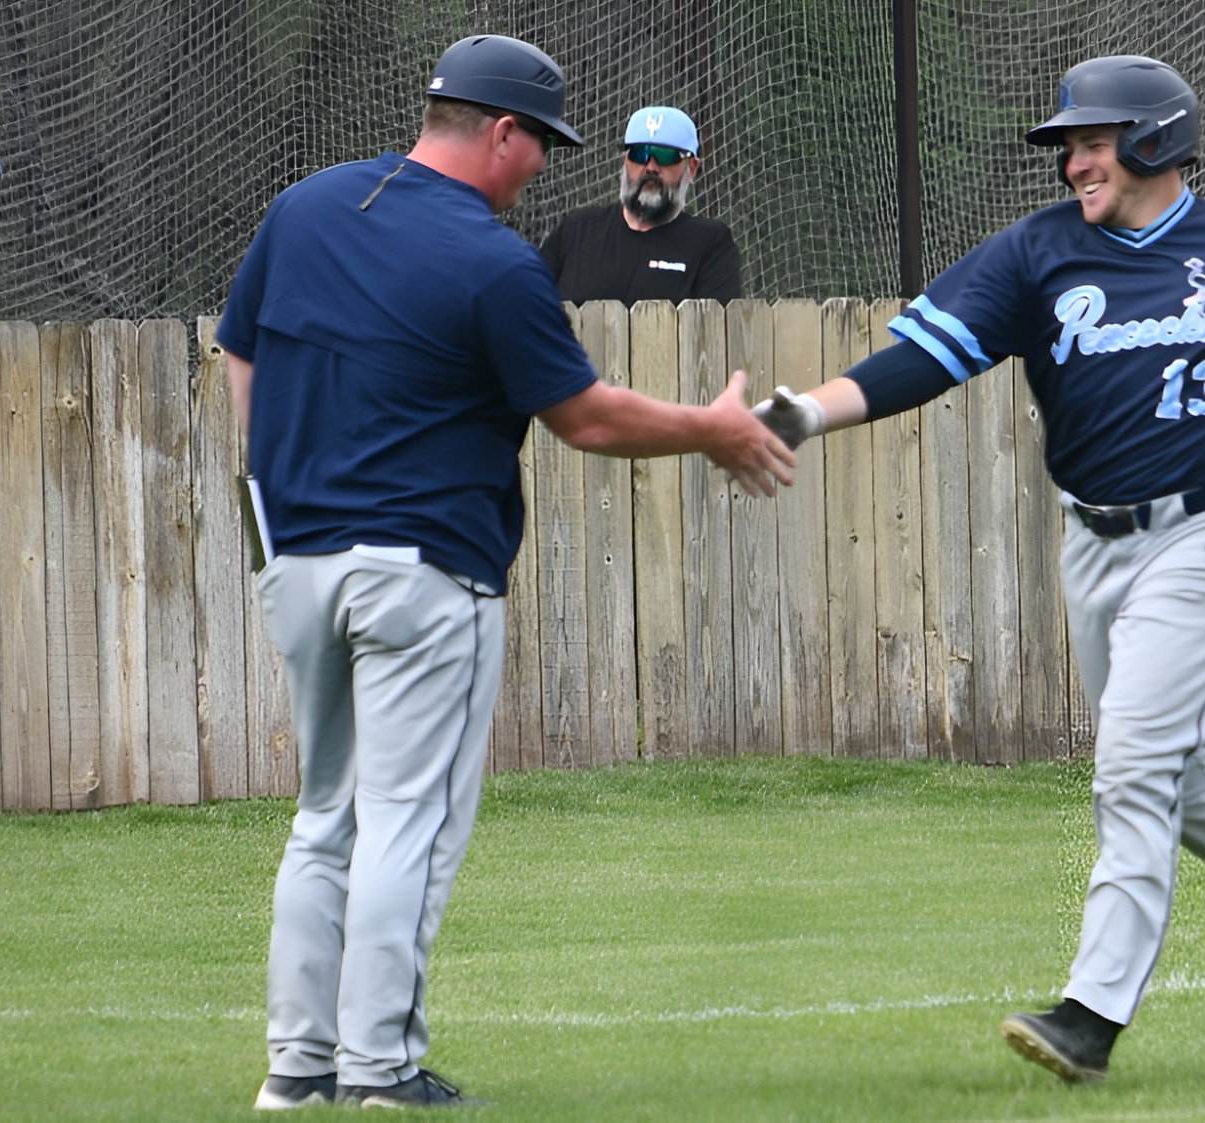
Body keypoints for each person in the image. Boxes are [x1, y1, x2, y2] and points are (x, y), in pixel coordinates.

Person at [751, 55, 1205, 1083]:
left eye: (1091, 139)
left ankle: (1090, 1014)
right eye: (1068, 145)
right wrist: (809, 411)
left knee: (1129, 766)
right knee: (1173, 769)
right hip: (1090, 545)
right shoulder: (1037, 255)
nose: (1073, 160)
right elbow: (926, 353)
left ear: (1155, 138)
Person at [218, 35, 792, 1110]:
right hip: (424, 572)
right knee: (405, 819)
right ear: (497, 130)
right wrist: (709, 428)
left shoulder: (306, 208)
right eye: (540, 143)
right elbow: (585, 416)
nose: (542, 166)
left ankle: (297, 1067)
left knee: (324, 815)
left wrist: (278, 490)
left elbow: (243, 349)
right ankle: (380, 1068)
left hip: (297, 562)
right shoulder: (493, 261)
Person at [539, 105, 742, 303]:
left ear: (691, 168)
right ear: (625, 161)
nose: (651, 167)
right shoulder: (577, 230)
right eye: (640, 154)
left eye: (665, 155)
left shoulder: (710, 244)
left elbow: (715, 329)